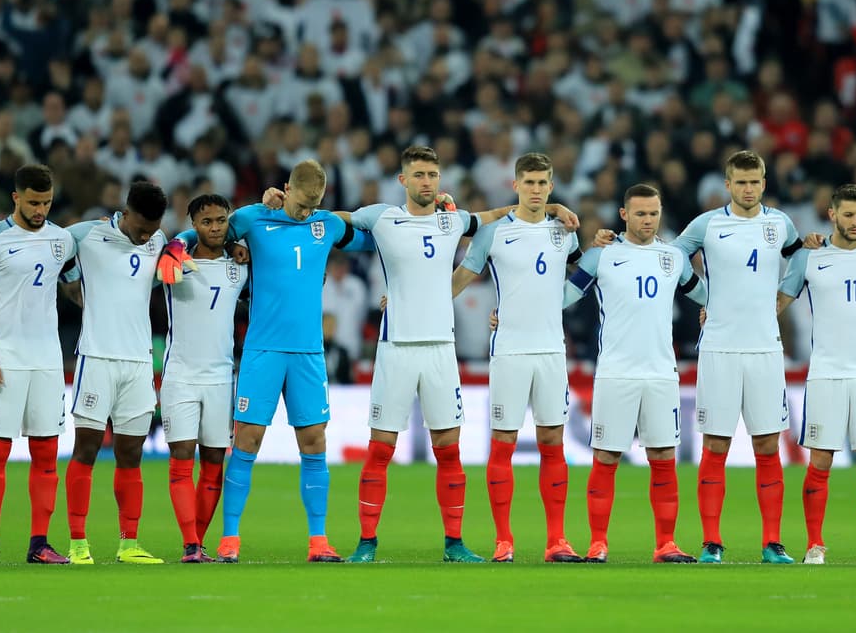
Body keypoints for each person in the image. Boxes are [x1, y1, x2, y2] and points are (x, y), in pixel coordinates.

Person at [335, 144, 578, 564]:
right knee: (380, 449)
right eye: (419, 175)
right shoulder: (383, 218)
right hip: (395, 349)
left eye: (432, 175)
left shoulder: (453, 222)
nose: (426, 182)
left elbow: (497, 215)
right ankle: (367, 543)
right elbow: (338, 222)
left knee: (449, 449)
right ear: (403, 180)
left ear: (439, 180)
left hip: (442, 351)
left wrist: (553, 206)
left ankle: (454, 544)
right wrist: (301, 211)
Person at [191, 159, 372, 564]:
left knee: (314, 444)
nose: (307, 212)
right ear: (286, 189)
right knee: (247, 442)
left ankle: (319, 540)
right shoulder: (254, 218)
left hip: (308, 353)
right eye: (303, 203)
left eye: (315, 205)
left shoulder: (325, 225)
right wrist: (174, 247)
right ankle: (230, 538)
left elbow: (375, 235)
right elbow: (204, 232)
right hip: (263, 351)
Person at [669, 150, 804, 564]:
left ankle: (773, 542)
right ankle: (712, 541)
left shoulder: (779, 223)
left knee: (767, 444)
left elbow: (800, 257)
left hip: (765, 347)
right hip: (719, 348)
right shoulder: (709, 224)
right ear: (727, 185)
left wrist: (783, 299)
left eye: (755, 181)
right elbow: (670, 258)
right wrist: (702, 294)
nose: (749, 189)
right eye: (741, 182)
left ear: (764, 182)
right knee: (716, 444)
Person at [451, 152, 584, 564]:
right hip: (508, 349)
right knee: (504, 442)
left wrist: (558, 303)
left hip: (551, 350)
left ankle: (557, 541)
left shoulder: (566, 231)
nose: (537, 190)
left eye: (543, 183)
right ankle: (503, 541)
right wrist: (419, 302)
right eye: (529, 183)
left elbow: (585, 273)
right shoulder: (493, 233)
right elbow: (464, 274)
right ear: (515, 186)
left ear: (551, 185)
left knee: (552, 443)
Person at [564, 183, 707, 564]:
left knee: (663, 456)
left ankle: (666, 544)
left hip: (661, 373)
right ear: (624, 214)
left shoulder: (672, 257)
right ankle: (597, 543)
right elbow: (563, 297)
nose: (648, 220)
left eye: (654, 213)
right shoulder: (601, 257)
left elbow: (704, 294)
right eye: (640, 213)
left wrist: (719, 311)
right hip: (615, 373)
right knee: (607, 457)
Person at [777, 183, 856, 566]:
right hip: (826, 372)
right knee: (820, 460)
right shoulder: (809, 257)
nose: (855, 221)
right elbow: (778, 303)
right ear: (831, 214)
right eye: (848, 214)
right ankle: (815, 545)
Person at [0, 164, 81, 565]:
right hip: (6, 360)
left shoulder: (62, 239)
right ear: (16, 198)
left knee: (47, 455)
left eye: (46, 202)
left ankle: (40, 544)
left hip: (48, 363)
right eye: (33, 202)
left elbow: (78, 281)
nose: (40, 210)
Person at [61, 181, 170, 564]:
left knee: (130, 454)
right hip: (96, 358)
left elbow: (186, 244)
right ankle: (77, 544)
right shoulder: (87, 235)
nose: (145, 237)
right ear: (125, 213)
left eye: (152, 230)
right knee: (87, 449)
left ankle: (129, 544)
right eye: (141, 228)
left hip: (139, 363)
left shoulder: (159, 242)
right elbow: (41, 241)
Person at [160, 193, 248, 563]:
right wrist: (181, 239)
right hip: (180, 374)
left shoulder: (240, 267)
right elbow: (168, 256)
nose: (214, 227)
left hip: (220, 378)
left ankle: (198, 542)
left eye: (221, 221)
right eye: (206, 221)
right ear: (193, 224)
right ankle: (189, 543)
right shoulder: (173, 259)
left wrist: (240, 247)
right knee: (182, 457)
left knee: (214, 461)